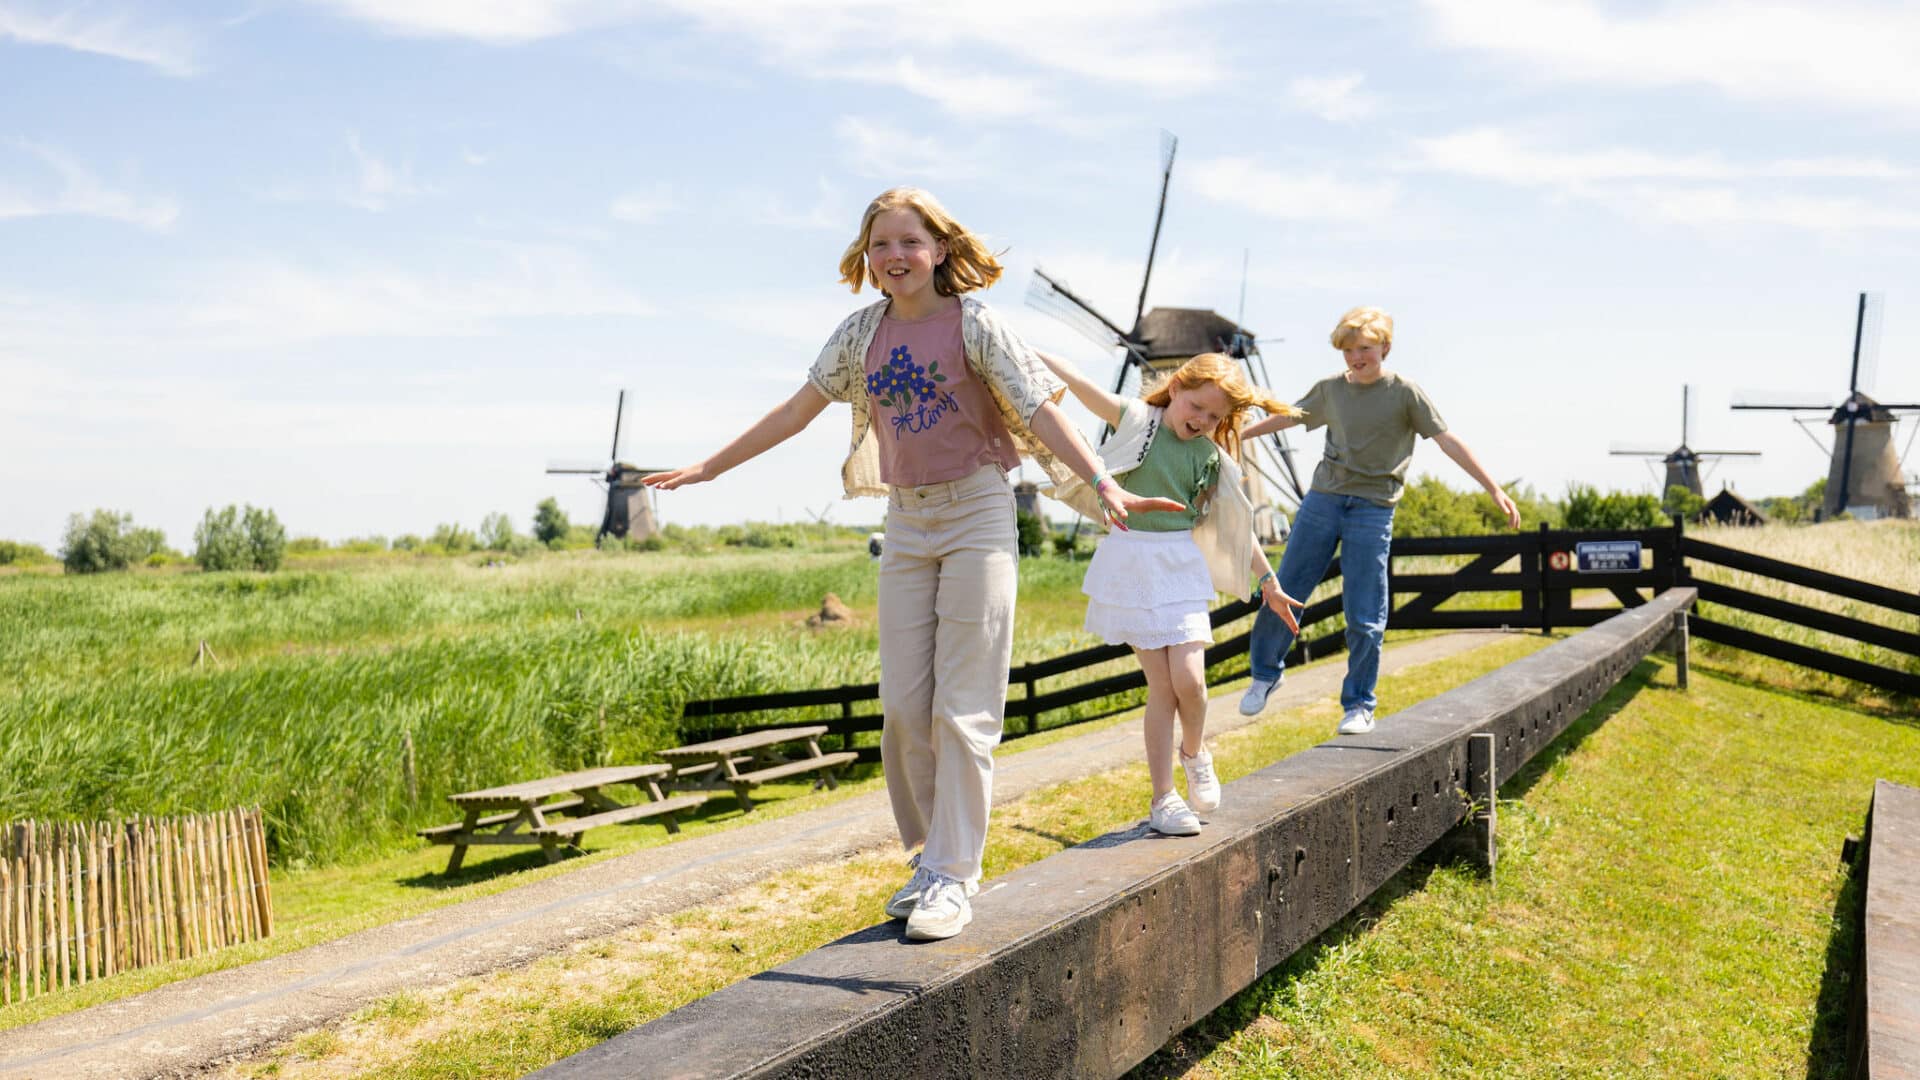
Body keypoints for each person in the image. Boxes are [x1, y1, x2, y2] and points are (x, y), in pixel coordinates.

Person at [643, 187, 1179, 941]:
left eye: (909, 242)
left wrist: (1099, 479)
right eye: (880, 244)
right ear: (867, 257)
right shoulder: (860, 334)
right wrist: (711, 467)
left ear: (939, 251)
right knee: (903, 706)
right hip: (906, 520)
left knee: (965, 705)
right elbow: (797, 411)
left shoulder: (975, 323)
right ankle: (929, 858)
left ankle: (955, 875)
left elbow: (1038, 408)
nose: (894, 256)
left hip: (977, 513)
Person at [1037, 351, 1304, 837]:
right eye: (1196, 406)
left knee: (1191, 682)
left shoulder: (1212, 458)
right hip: (1132, 562)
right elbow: (1083, 385)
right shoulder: (1139, 419)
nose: (1202, 420)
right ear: (1177, 387)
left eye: (1214, 416)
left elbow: (1235, 528)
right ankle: (1164, 798)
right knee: (1161, 687)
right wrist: (1034, 355)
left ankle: (1195, 752)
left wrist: (1270, 583)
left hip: (1179, 565)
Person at [1237, 306, 1521, 734]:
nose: (1356, 357)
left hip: (1373, 508)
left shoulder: (1405, 393)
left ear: (1385, 347)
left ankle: (1358, 704)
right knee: (1286, 585)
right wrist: (1238, 433)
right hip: (1324, 500)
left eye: (1364, 348)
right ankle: (1266, 673)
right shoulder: (1331, 390)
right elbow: (1290, 417)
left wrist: (1493, 487)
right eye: (1348, 350)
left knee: (1365, 611)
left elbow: (1447, 440)